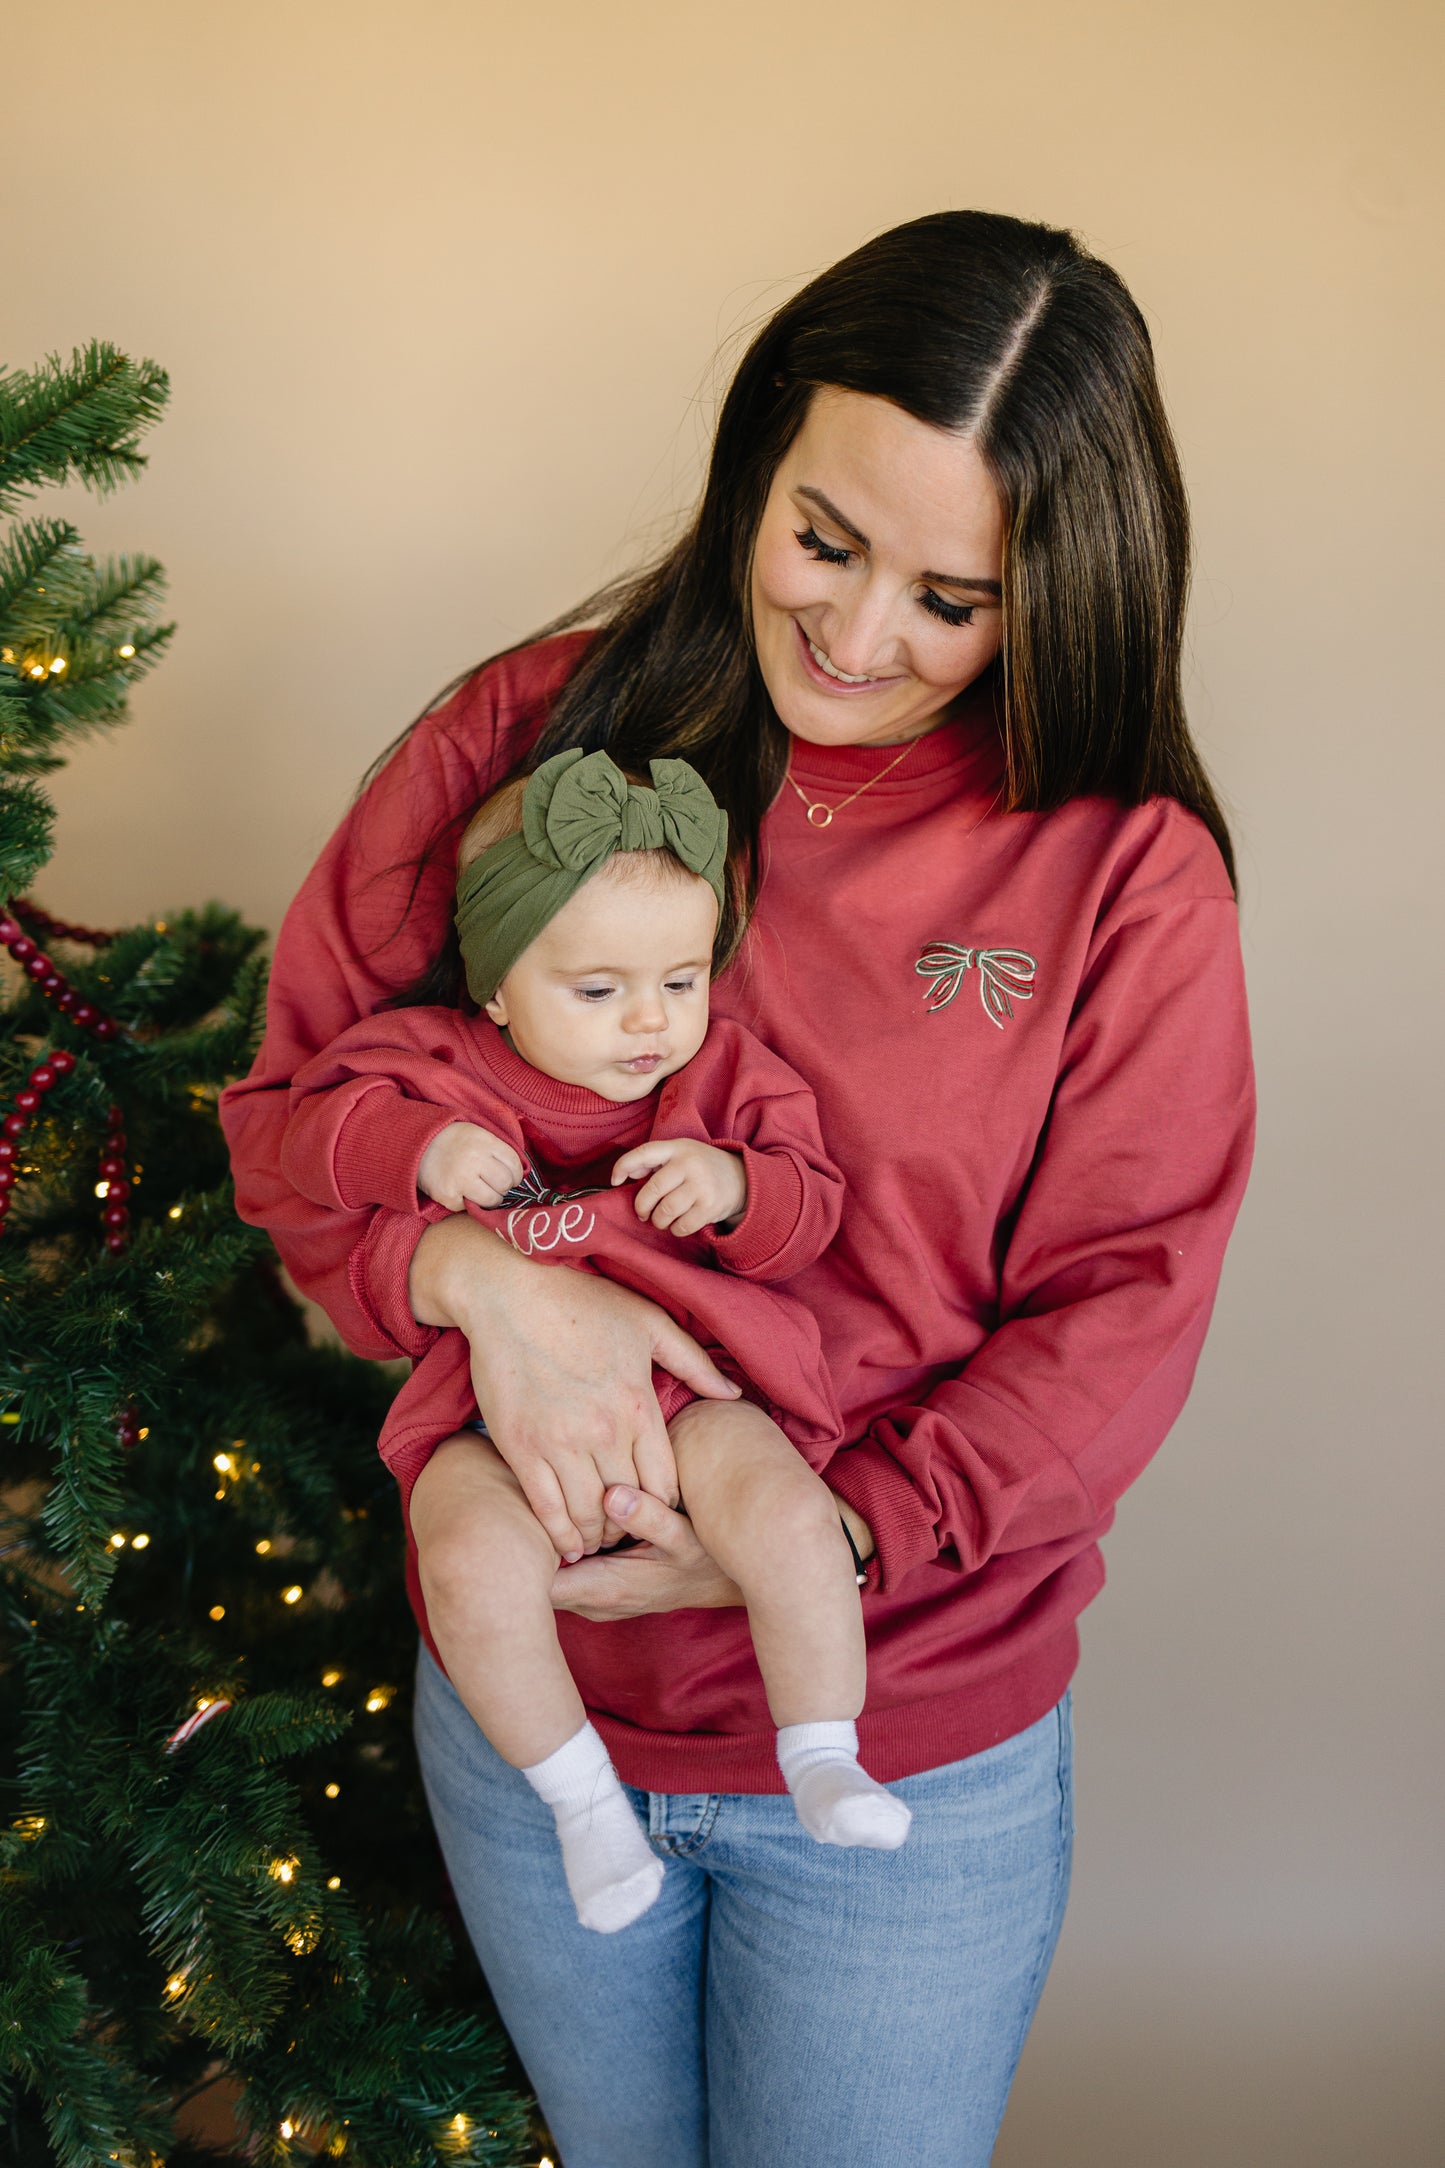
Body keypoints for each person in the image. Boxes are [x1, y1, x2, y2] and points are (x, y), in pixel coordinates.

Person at [221, 208, 1255, 2166]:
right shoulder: (527, 742)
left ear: (1057, 592)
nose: (856, 638)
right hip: (535, 1714)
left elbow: (1122, 1307)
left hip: (904, 1740)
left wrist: (825, 1537)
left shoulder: (1123, 874)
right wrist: (480, 1283)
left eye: (951, 598)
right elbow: (296, 1117)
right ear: (759, 455)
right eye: (823, 539)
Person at [280, 747, 910, 1935]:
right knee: (464, 1564)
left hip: (696, 1399)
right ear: (496, 985)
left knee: (788, 1518)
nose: (650, 1019)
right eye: (597, 988)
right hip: (486, 1419)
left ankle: (823, 1749)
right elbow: (306, 1132)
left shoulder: (724, 1075)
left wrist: (737, 1186)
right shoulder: (432, 1062)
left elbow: (811, 1209)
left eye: (680, 978)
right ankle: (580, 1801)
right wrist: (413, 1148)